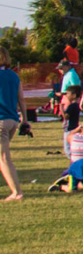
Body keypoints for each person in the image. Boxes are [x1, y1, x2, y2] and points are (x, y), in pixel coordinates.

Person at [0, 47, 27, 202]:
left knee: (3, 158)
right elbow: (21, 99)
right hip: (12, 120)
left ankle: (16, 192)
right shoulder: (14, 76)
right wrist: (25, 119)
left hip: (1, 120)